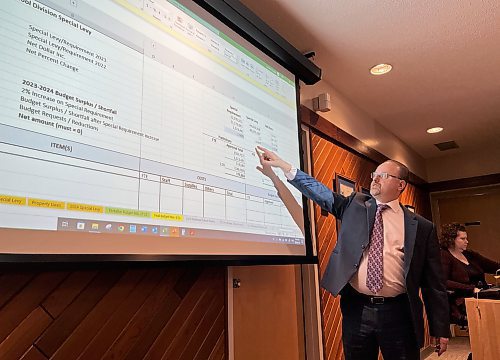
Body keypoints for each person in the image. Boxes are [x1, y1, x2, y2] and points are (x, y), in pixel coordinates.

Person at [255, 145, 450, 359]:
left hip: (400, 312)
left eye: (383, 175)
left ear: (400, 185)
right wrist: (283, 166)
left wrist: (440, 328)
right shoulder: (356, 205)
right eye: (374, 174)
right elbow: (320, 192)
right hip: (358, 309)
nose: (375, 179)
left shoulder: (421, 227)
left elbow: (434, 284)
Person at [440, 223, 500, 325]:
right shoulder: (444, 256)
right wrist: (470, 288)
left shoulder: (470, 254)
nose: (466, 242)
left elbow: (494, 266)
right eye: (462, 239)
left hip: (481, 296)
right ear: (451, 240)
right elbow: (443, 282)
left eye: (466, 238)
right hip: (463, 301)